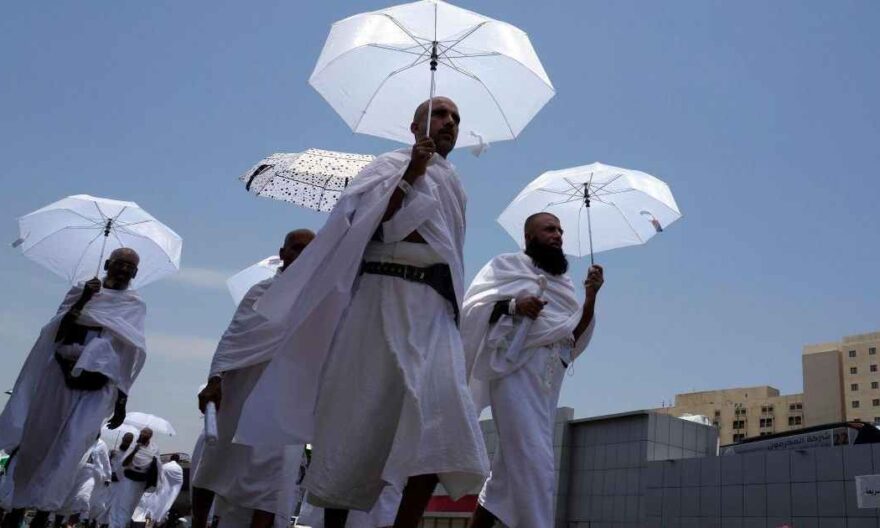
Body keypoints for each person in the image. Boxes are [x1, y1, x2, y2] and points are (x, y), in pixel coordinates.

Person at [235, 97, 489, 528]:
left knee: (446, 423)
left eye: (457, 118)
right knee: (359, 419)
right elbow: (364, 223)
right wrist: (411, 173)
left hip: (434, 311)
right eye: (440, 114)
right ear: (414, 126)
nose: (449, 123)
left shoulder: (456, 183)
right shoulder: (386, 165)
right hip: (382, 297)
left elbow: (451, 252)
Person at [461, 212, 604, 528]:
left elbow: (570, 339)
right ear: (528, 237)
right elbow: (473, 310)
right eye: (549, 229)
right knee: (536, 465)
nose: (558, 235)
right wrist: (515, 306)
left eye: (560, 230)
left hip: (546, 385)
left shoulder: (564, 286)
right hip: (512, 376)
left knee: (505, 480)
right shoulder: (507, 267)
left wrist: (590, 298)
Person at [0, 248, 146, 528]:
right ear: (107, 264)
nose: (124, 270)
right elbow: (58, 331)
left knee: (72, 448)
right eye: (119, 264)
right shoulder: (82, 290)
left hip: (99, 385)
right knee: (37, 443)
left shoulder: (134, 305)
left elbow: (130, 354)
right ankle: (17, 508)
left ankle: (45, 513)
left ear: (135, 274)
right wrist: (84, 299)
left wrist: (122, 398)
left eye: (130, 267)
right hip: (59, 376)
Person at [191, 229, 315, 528]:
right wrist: (215, 379)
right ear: (283, 253)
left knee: (271, 474)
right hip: (240, 385)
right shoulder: (259, 292)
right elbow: (233, 337)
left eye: (309, 250)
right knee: (215, 460)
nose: (301, 255)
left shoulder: (318, 296)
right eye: (296, 248)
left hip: (285, 392)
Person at [108, 428, 160, 528]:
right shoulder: (133, 446)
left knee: (130, 508)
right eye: (141, 434)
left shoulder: (154, 449)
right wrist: (135, 451)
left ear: (149, 437)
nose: (142, 436)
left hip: (141, 482)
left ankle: (121, 525)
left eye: (145, 435)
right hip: (128, 479)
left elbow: (157, 467)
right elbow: (124, 463)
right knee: (122, 506)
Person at [58, 436, 112, 527]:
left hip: (91, 475)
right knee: (68, 499)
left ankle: (72, 523)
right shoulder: (84, 439)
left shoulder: (102, 445)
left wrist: (108, 477)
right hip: (77, 472)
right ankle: (61, 522)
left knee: (83, 498)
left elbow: (106, 461)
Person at [94, 432, 135, 528]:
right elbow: (105, 463)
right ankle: (93, 522)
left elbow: (127, 469)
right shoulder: (114, 451)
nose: (126, 442)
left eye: (128, 441)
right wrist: (110, 457)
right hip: (107, 481)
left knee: (111, 508)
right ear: (122, 439)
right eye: (125, 440)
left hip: (119, 485)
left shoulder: (130, 455)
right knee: (100, 504)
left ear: (130, 442)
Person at [132, 454, 183, 528]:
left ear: (170, 459)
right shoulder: (179, 468)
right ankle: (151, 525)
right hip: (167, 493)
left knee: (151, 510)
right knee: (160, 511)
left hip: (156, 491)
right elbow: (178, 482)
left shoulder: (165, 466)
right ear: (178, 460)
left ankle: (149, 525)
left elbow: (160, 477)